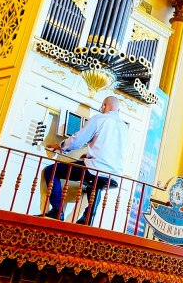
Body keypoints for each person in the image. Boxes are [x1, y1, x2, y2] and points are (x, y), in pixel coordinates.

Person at [42, 95, 127, 224]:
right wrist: (87, 155)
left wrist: (60, 146)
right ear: (118, 110)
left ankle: (57, 211)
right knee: (96, 184)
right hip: (114, 174)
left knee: (51, 170)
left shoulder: (99, 119)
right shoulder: (124, 127)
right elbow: (109, 149)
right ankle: (88, 218)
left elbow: (77, 141)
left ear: (104, 106)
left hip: (95, 168)